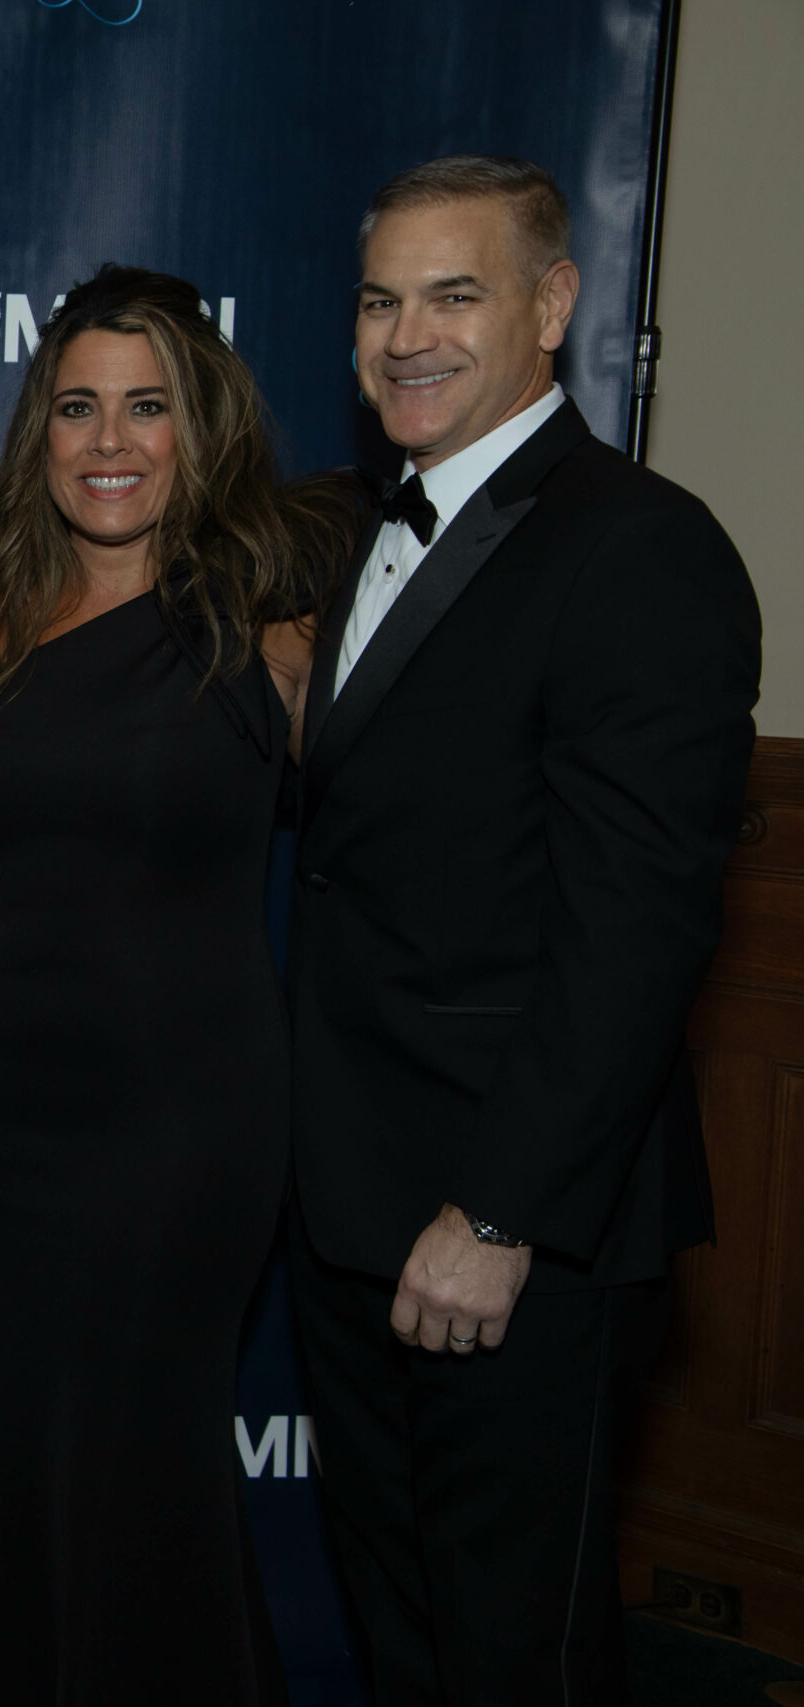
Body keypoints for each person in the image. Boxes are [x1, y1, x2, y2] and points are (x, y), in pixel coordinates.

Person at [291, 156, 759, 1704]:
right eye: (379, 300)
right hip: (353, 1208)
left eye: (454, 295)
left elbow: (634, 931)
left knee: (519, 1660)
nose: (405, 335)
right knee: (406, 1634)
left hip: (514, 1236)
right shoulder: (353, 526)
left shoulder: (642, 548)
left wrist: (498, 1216)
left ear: (555, 307)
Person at [0, 265, 357, 1703]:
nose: (110, 440)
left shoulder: (280, 628)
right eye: (77, 407)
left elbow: (412, 852)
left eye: (148, 406)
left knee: (147, 1475)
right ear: (37, 433)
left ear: (202, 425)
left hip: (184, 1129)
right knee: (22, 1472)